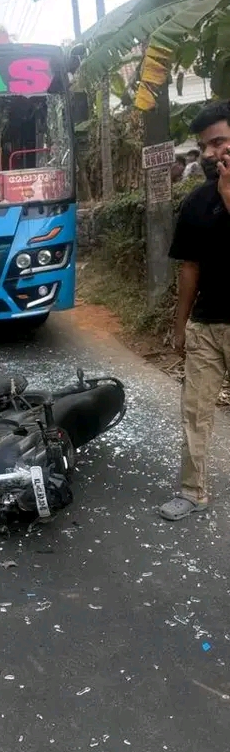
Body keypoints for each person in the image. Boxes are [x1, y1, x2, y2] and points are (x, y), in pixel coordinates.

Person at [160, 101, 230, 521]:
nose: (210, 153)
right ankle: (193, 490)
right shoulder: (196, 204)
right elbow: (190, 268)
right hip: (207, 323)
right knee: (195, 412)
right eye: (206, 146)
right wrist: (181, 324)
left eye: (219, 142)